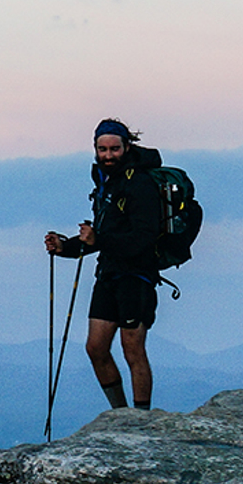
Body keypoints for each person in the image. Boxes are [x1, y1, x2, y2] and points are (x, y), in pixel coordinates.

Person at [44, 118, 163, 411]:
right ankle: (121, 415)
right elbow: (99, 236)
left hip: (137, 276)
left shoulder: (141, 183)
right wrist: (66, 247)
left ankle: (140, 419)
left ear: (126, 147)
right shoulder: (105, 182)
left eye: (114, 149)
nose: (108, 155)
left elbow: (143, 239)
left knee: (132, 348)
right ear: (95, 149)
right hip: (109, 274)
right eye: (102, 149)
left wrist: (98, 240)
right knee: (96, 348)